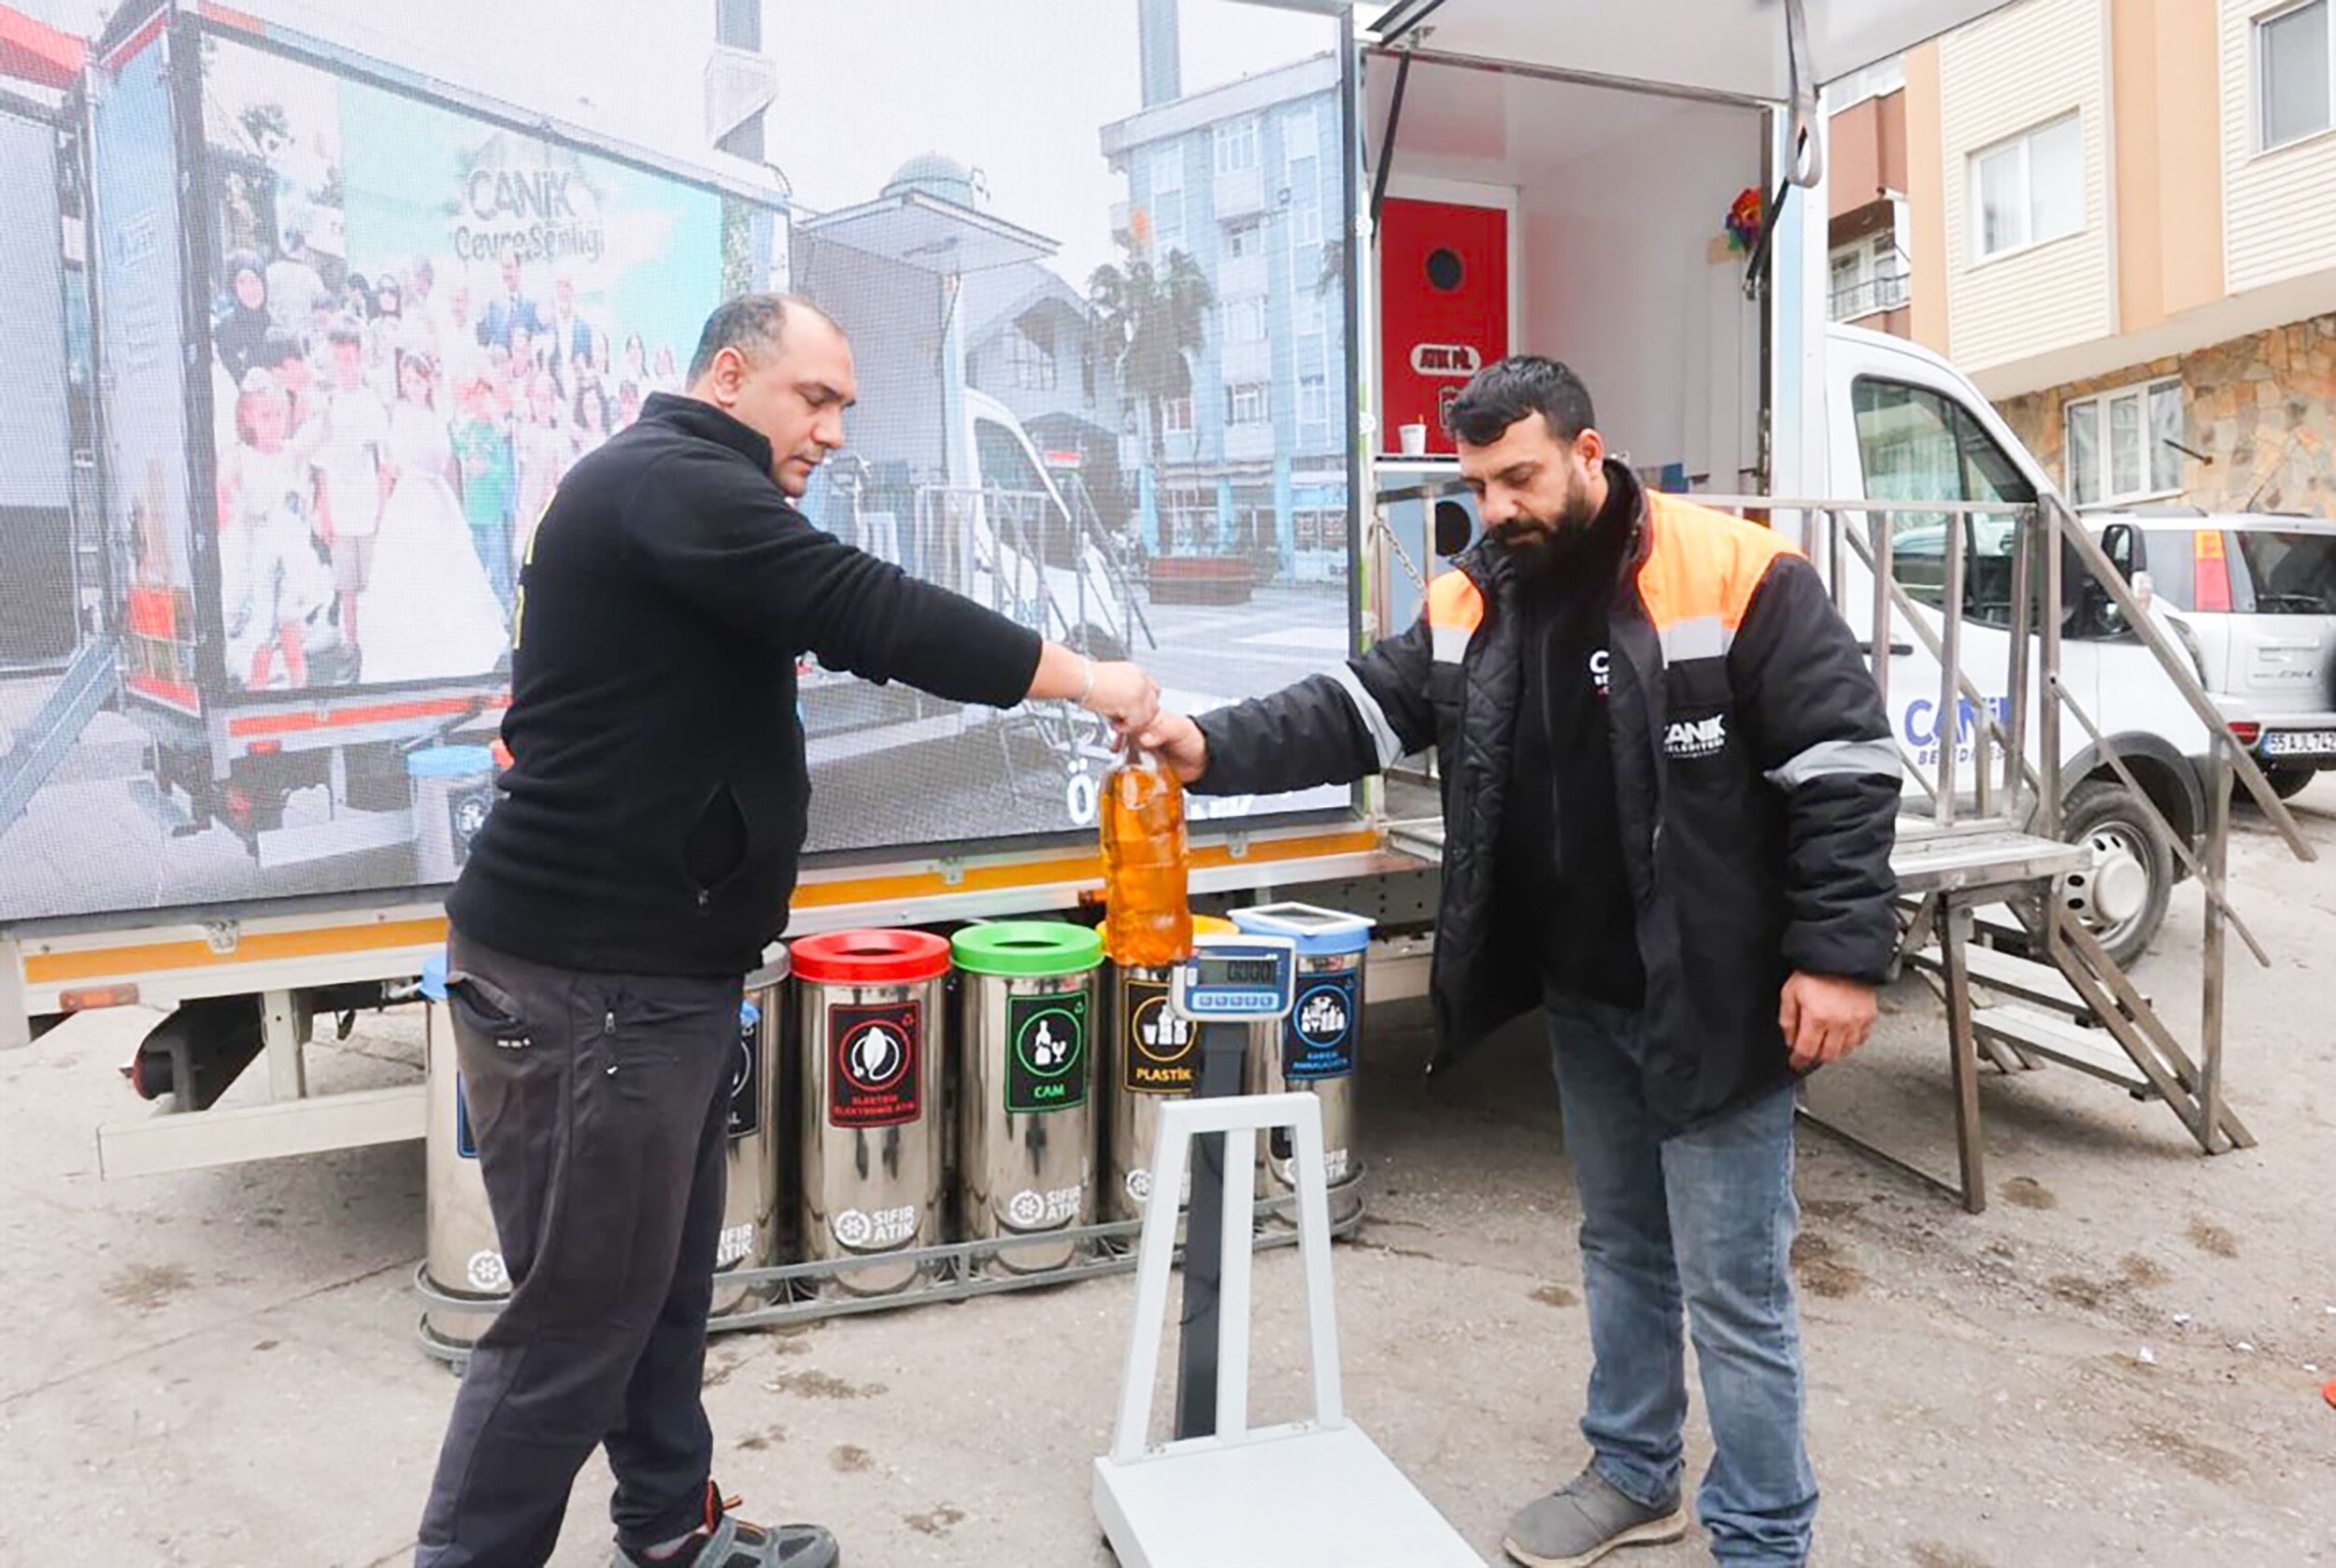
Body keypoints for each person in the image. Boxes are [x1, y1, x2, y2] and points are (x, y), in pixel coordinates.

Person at [416, 292, 1161, 1568]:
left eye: (843, 407)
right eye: (813, 399)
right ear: (728, 375)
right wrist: (1089, 677)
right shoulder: (676, 481)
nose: (832, 431)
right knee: (578, 1320)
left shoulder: (662, 491)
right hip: (593, 984)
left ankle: (668, 1529)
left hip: (653, 975)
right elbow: (868, 607)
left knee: (659, 1290)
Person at [1138, 356, 1901, 1568]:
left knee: (1734, 1288)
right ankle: (1635, 1471)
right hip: (1585, 993)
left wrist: (1840, 957)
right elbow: (1357, 709)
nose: (1497, 508)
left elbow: (1842, 770)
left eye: (1520, 478)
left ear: (1590, 453)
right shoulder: (1475, 599)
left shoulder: (1737, 572)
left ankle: (1764, 1535)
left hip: (1718, 997)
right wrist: (1205, 744)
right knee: (1620, 1247)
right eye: (1479, 485)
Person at [361, 350, 508, 685]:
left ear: (428, 382)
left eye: (418, 380)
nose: (412, 386)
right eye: (408, 380)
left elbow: (446, 458)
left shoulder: (437, 414)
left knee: (449, 571)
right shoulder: (399, 415)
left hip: (437, 497)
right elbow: (394, 462)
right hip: (410, 500)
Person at [217, 368, 331, 690]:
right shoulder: (240, 457)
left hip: (290, 561)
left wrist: (310, 391)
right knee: (262, 638)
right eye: (265, 416)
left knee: (292, 635)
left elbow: (322, 431)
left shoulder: (291, 453)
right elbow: (224, 492)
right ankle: (257, 694)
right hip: (259, 565)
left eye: (279, 414)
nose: (274, 423)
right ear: (247, 418)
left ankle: (299, 691)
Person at [313, 317, 391, 663]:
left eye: (349, 358)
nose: (344, 366)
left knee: (371, 585)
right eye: (338, 359)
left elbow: (384, 463)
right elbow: (322, 466)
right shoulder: (328, 404)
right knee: (346, 588)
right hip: (340, 511)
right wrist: (326, 513)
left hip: (368, 508)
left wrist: (383, 509)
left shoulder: (371, 402)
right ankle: (351, 647)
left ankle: (374, 649)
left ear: (360, 357)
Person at [451, 370, 518, 611]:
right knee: (477, 573)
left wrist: (487, 468)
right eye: (476, 395)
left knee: (498, 570)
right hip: (473, 513)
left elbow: (506, 472)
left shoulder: (498, 432)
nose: (481, 401)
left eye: (485, 395)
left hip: (493, 514)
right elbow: (456, 447)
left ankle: (506, 613)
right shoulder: (467, 429)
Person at [214, 250, 273, 383]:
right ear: (233, 287)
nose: (250, 290)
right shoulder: (224, 332)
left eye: (255, 281)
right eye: (242, 282)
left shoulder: (277, 327)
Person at [265, 228, 327, 337]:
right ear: (303, 249)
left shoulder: (269, 272)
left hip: (276, 337)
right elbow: (322, 308)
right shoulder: (311, 276)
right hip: (305, 338)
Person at [477, 253, 541, 350]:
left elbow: (537, 341)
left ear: (519, 270)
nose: (506, 273)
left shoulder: (530, 306)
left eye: (509, 267)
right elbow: (484, 343)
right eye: (503, 268)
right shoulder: (492, 306)